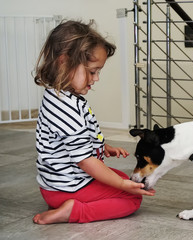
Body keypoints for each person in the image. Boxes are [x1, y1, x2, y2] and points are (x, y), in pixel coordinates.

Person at [32, 20, 155, 224]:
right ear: (64, 62)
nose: (96, 78)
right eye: (92, 71)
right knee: (132, 198)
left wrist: (102, 146)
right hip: (68, 186)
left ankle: (64, 203)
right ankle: (71, 211)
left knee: (121, 179)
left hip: (58, 184)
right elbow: (84, 161)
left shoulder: (59, 96)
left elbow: (71, 140)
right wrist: (121, 185)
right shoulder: (66, 109)